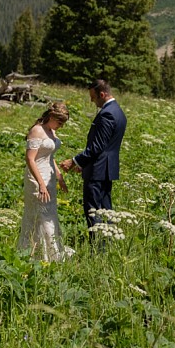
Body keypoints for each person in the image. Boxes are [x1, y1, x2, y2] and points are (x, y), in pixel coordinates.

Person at [61, 79, 126, 246]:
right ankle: (109, 243)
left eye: (93, 97)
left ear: (102, 94)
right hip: (106, 168)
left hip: (98, 170)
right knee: (106, 209)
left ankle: (98, 247)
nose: (92, 101)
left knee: (93, 210)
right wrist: (84, 164)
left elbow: (97, 147)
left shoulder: (107, 114)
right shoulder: (118, 111)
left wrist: (74, 161)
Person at [18, 101, 74, 262]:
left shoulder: (51, 131)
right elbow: (30, 159)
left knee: (50, 215)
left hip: (49, 177)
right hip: (36, 178)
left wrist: (59, 177)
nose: (61, 126)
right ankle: (37, 254)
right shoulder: (37, 130)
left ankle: (53, 252)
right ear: (51, 116)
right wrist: (41, 184)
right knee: (40, 216)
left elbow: (50, 156)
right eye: (60, 122)